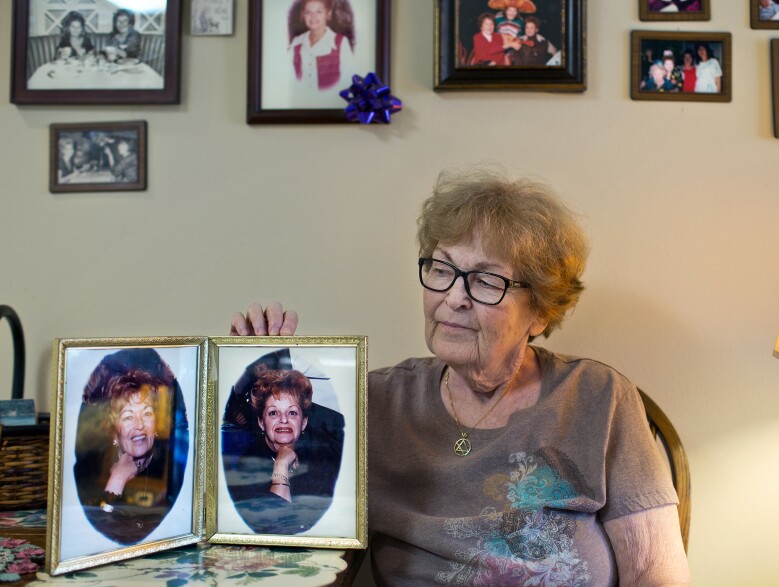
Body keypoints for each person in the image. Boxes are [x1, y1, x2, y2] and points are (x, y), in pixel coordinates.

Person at [230, 167, 691, 585]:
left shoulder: (597, 399)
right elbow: (305, 561)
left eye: (487, 281)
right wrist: (254, 370)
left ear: (540, 313)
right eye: (442, 269)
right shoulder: (372, 403)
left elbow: (656, 573)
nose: (454, 297)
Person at [74, 348, 188, 545]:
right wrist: (118, 478)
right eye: (128, 416)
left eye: (147, 413)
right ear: (114, 427)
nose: (139, 424)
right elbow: (95, 528)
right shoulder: (90, 467)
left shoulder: (173, 471)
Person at [222, 353, 343, 534]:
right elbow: (275, 526)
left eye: (292, 413)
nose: (283, 420)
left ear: (304, 423)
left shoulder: (323, 457)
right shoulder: (246, 464)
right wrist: (281, 465)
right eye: (273, 413)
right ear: (262, 423)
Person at [288, 0, 355, 92]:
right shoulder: (296, 43)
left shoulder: (341, 43)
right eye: (308, 12)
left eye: (319, 11)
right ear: (303, 15)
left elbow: (349, 81)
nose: (313, 16)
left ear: (328, 14)